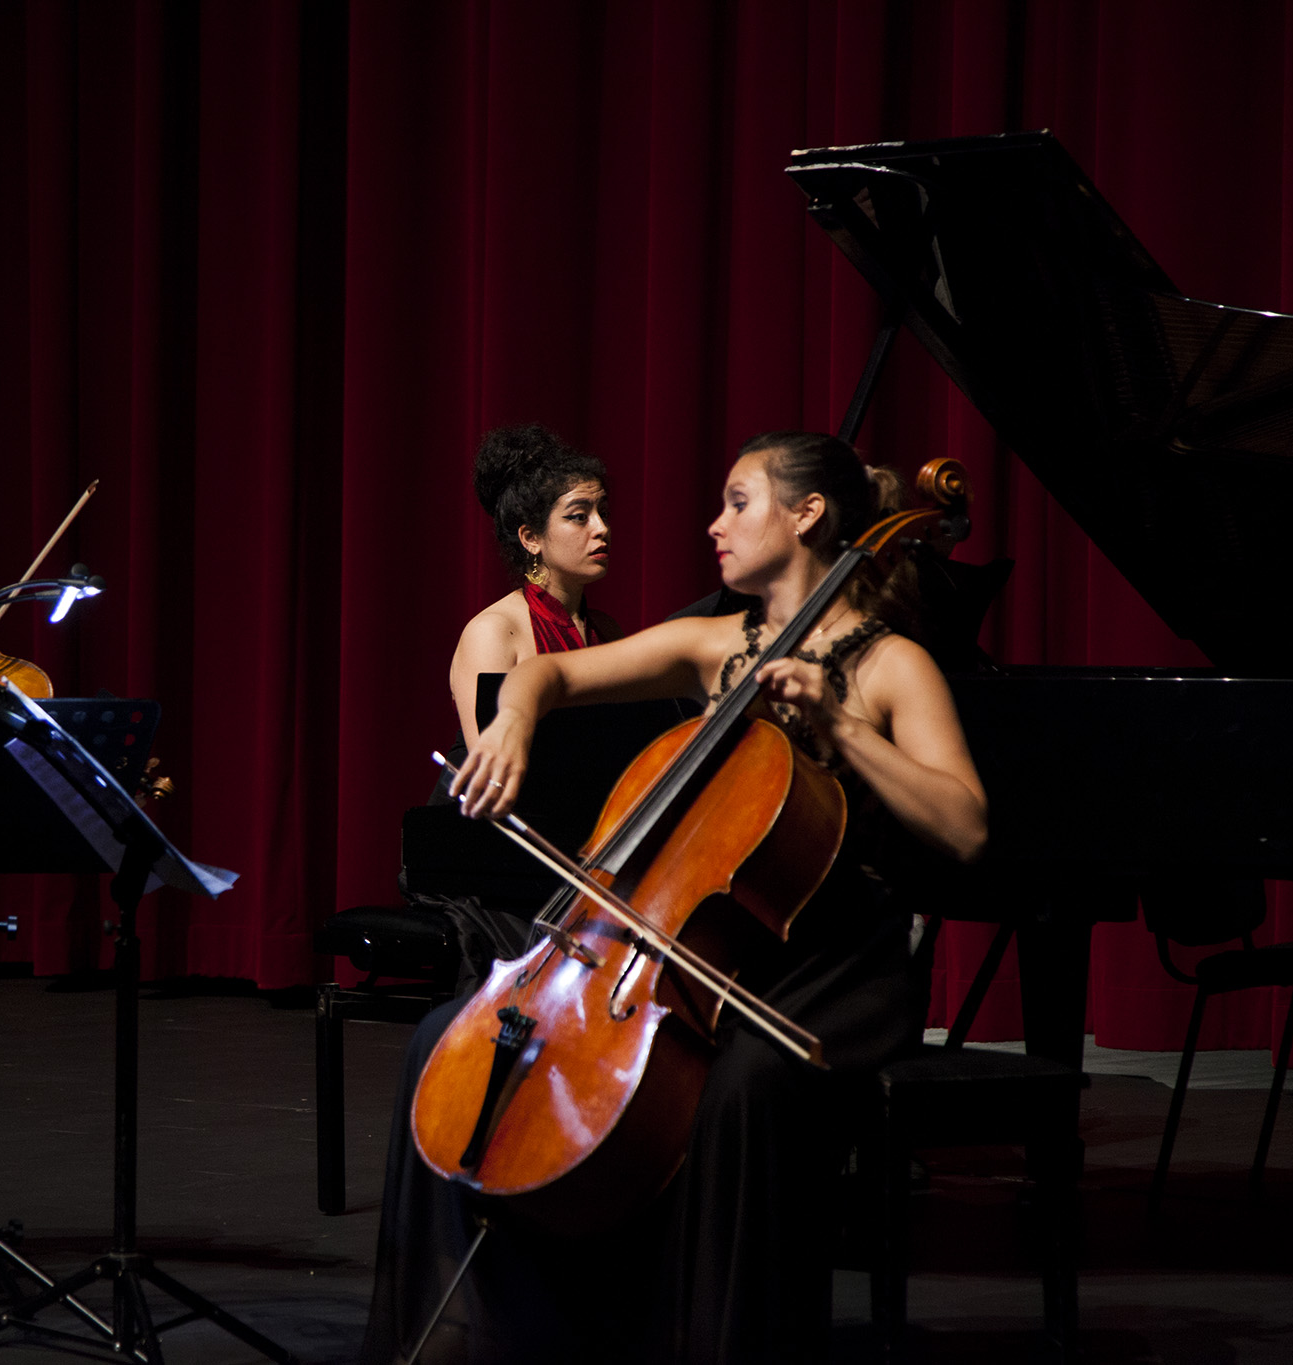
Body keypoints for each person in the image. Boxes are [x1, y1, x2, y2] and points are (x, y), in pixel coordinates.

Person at [360, 431, 987, 1364]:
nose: (713, 524)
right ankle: (486, 1333)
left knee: (741, 1088)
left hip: (830, 964)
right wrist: (517, 720)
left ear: (809, 513)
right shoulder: (712, 644)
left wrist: (842, 726)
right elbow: (548, 669)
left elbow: (966, 825)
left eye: (738, 501)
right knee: (442, 1040)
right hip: (702, 956)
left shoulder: (893, 665)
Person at [447, 425, 622, 754]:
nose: (602, 528)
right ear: (531, 538)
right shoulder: (493, 632)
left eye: (604, 513)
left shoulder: (607, 630)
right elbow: (493, 776)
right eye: (579, 516)